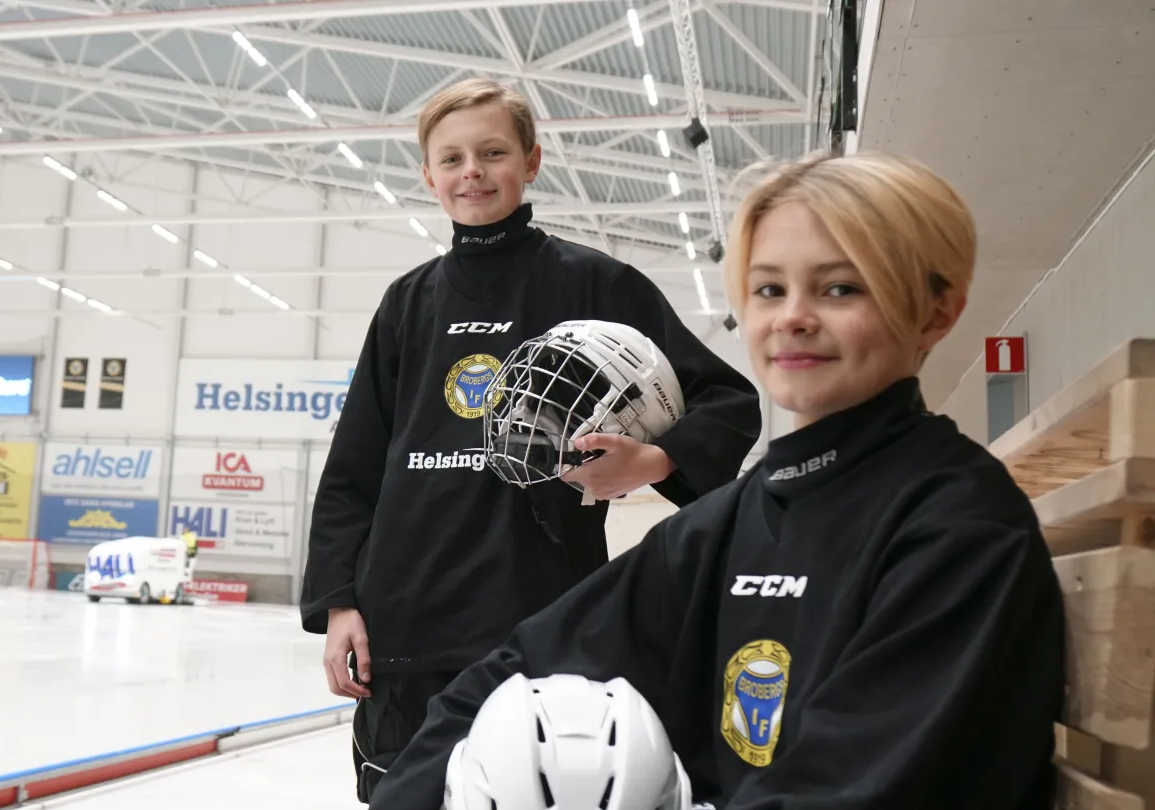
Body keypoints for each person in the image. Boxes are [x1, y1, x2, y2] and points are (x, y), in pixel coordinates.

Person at [367, 150, 1067, 810]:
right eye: (769, 288)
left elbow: (857, 788)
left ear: (936, 311)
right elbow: (517, 666)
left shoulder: (958, 528)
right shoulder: (732, 525)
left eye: (840, 287)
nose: (792, 316)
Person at [299, 77, 763, 803]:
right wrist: (338, 605)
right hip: (404, 627)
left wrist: (655, 459)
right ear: (428, 176)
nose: (472, 172)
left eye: (492, 152)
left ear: (532, 161)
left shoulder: (595, 284)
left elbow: (727, 400)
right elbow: (354, 467)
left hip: (540, 621)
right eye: (450, 159)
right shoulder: (406, 304)